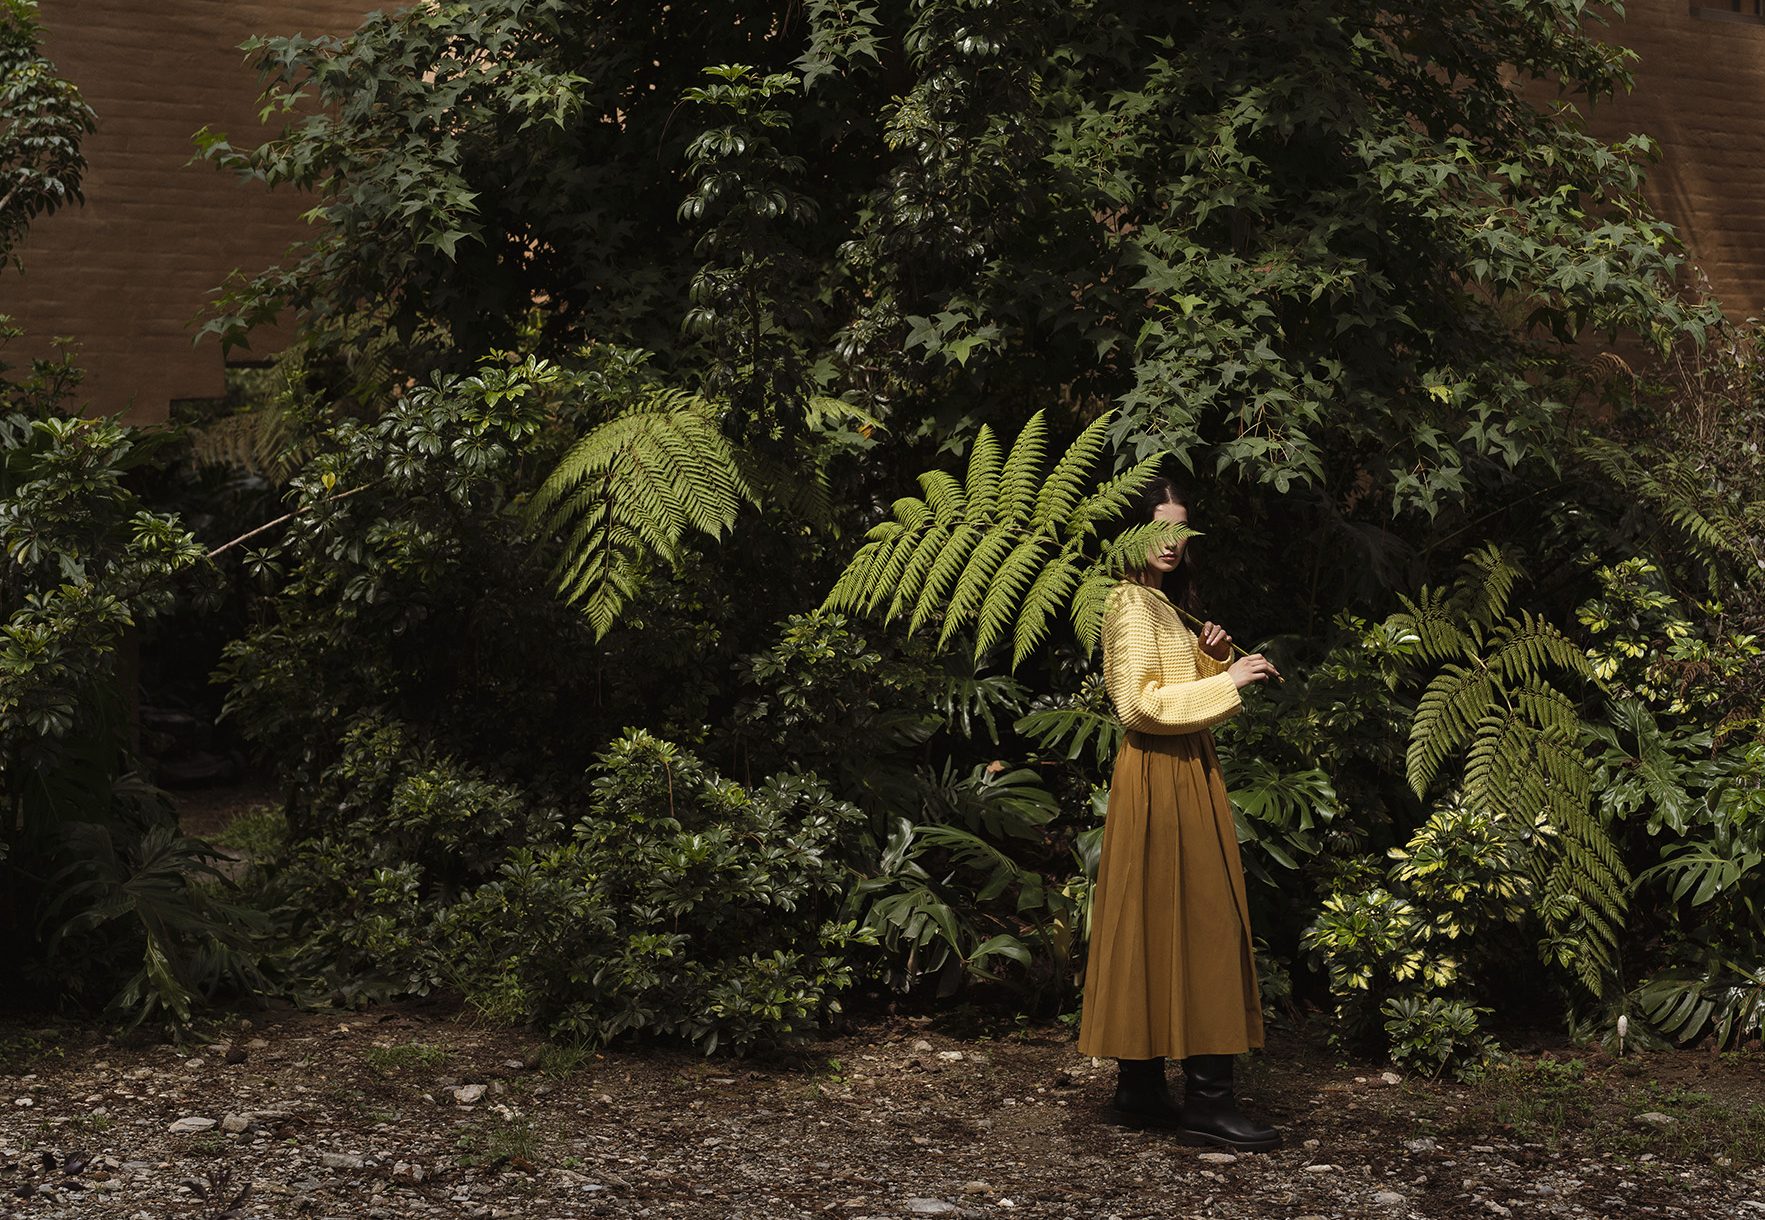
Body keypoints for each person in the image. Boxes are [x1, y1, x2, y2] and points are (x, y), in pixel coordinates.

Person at [1076, 476, 1283, 1152]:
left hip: (1168, 773)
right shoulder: (1131, 604)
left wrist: (1207, 658)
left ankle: (1138, 1089)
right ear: (1129, 535)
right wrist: (1230, 680)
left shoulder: (1158, 603)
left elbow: (1164, 685)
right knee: (1202, 923)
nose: (1171, 541)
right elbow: (1137, 706)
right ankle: (1206, 1104)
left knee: (1154, 920)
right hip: (1163, 774)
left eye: (1180, 528)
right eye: (1157, 527)